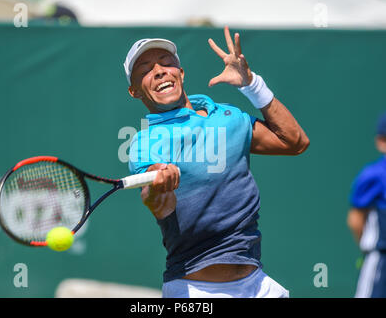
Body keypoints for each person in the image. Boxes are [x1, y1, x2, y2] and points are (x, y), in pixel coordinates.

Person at [124, 26, 310, 298]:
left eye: (166, 63)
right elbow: (158, 204)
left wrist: (252, 84)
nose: (160, 71)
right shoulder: (145, 143)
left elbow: (294, 142)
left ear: (181, 73)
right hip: (194, 291)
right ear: (135, 91)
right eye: (146, 70)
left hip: (259, 286)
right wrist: (157, 184)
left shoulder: (228, 117)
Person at [348, 112, 386, 298]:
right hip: (380, 258)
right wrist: (369, 248)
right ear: (381, 142)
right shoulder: (375, 175)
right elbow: (356, 220)